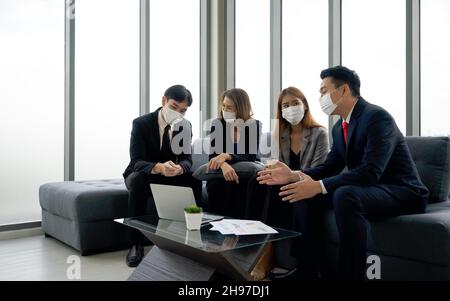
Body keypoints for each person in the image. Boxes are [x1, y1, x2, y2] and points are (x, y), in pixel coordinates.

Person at [257, 66, 429, 280]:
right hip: (371, 189)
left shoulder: (376, 117)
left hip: (403, 191)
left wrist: (318, 186)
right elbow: (328, 167)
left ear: (344, 90)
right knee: (303, 194)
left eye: (323, 91)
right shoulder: (340, 128)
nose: (320, 97)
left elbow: (370, 172)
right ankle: (309, 270)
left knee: (344, 194)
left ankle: (350, 276)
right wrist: (294, 175)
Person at [123, 84, 201, 267]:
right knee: (138, 180)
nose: (178, 113)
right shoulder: (141, 123)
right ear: (164, 100)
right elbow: (136, 161)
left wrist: (180, 168)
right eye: (174, 107)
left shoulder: (184, 126)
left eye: (183, 110)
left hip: (170, 173)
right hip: (144, 173)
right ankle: (136, 243)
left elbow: (187, 160)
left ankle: (192, 236)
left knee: (194, 179)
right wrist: (158, 167)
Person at [246, 86, 329, 230]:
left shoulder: (320, 133)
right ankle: (252, 234)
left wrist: (290, 176)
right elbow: (272, 165)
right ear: (281, 110)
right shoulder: (278, 134)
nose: (291, 108)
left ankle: (272, 240)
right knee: (258, 180)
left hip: (307, 182)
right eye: (286, 105)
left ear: (304, 105)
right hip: (282, 182)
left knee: (279, 191)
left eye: (295, 103)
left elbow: (318, 170)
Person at [206, 88, 261, 218]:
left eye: (229, 107)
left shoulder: (253, 125)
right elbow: (213, 157)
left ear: (240, 108)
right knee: (216, 185)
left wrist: (226, 156)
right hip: (221, 173)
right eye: (224, 106)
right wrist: (224, 165)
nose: (225, 110)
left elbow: (250, 156)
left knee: (239, 185)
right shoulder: (217, 124)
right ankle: (216, 229)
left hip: (245, 173)